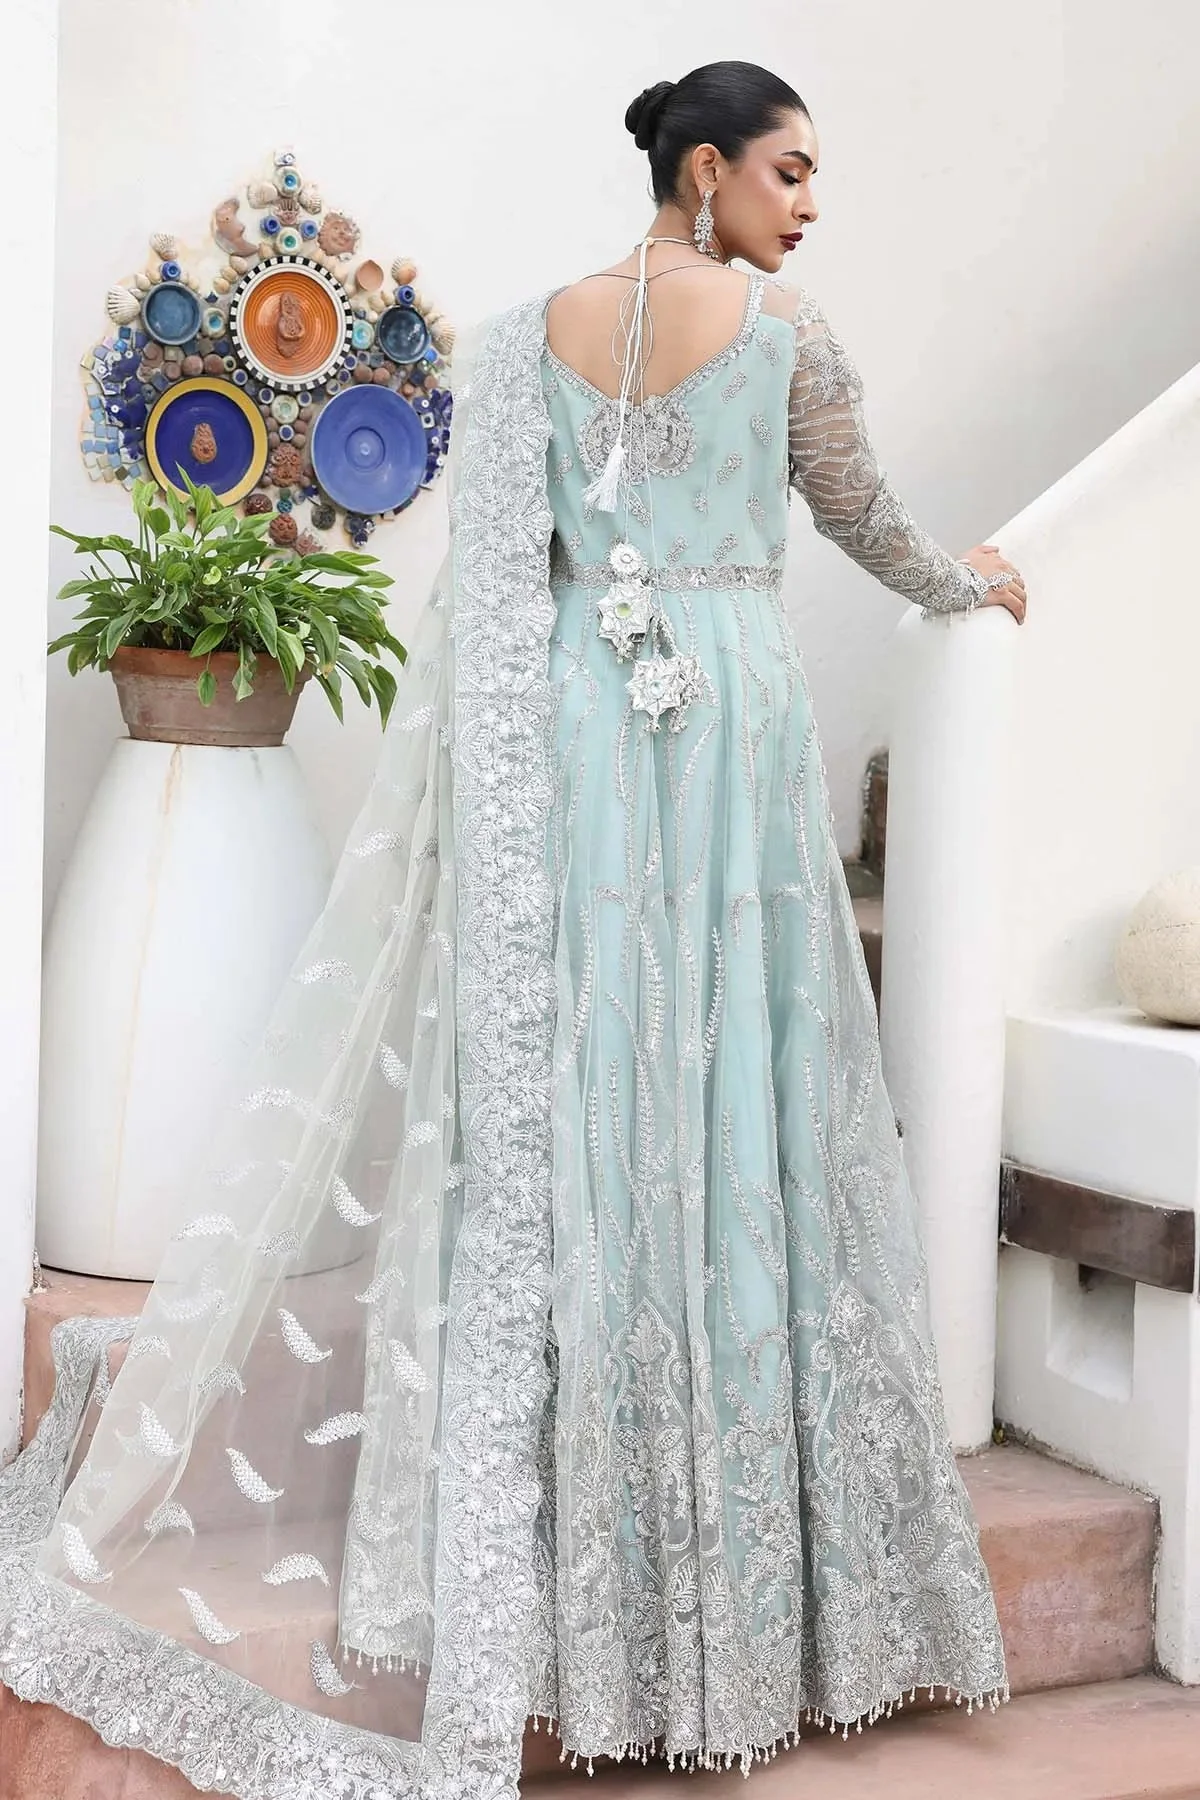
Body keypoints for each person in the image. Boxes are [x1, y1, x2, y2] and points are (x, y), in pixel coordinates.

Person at [0, 59, 1018, 1800]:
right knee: (734, 1085)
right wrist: (964, 584)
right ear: (705, 171)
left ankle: (563, 1531)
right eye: (788, 171)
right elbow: (860, 519)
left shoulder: (518, 334)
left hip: (577, 735)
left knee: (589, 1097)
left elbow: (507, 580)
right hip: (724, 718)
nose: (808, 203)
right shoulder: (787, 338)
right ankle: (708, 1564)